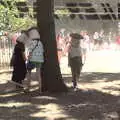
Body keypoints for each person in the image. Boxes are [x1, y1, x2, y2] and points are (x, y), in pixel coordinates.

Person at [26, 27, 44, 92]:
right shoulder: (40, 43)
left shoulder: (32, 42)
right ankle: (40, 89)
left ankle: (28, 88)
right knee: (38, 74)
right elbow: (42, 51)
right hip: (40, 60)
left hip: (32, 59)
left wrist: (28, 59)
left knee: (29, 73)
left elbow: (30, 51)